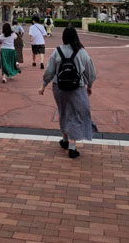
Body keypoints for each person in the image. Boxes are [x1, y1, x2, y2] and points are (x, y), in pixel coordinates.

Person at [39, 27, 96, 159]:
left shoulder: (57, 51)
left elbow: (49, 72)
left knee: (63, 111)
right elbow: (90, 73)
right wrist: (89, 86)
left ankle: (65, 140)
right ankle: (72, 147)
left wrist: (43, 85)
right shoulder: (82, 52)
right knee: (75, 114)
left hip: (58, 87)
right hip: (77, 87)